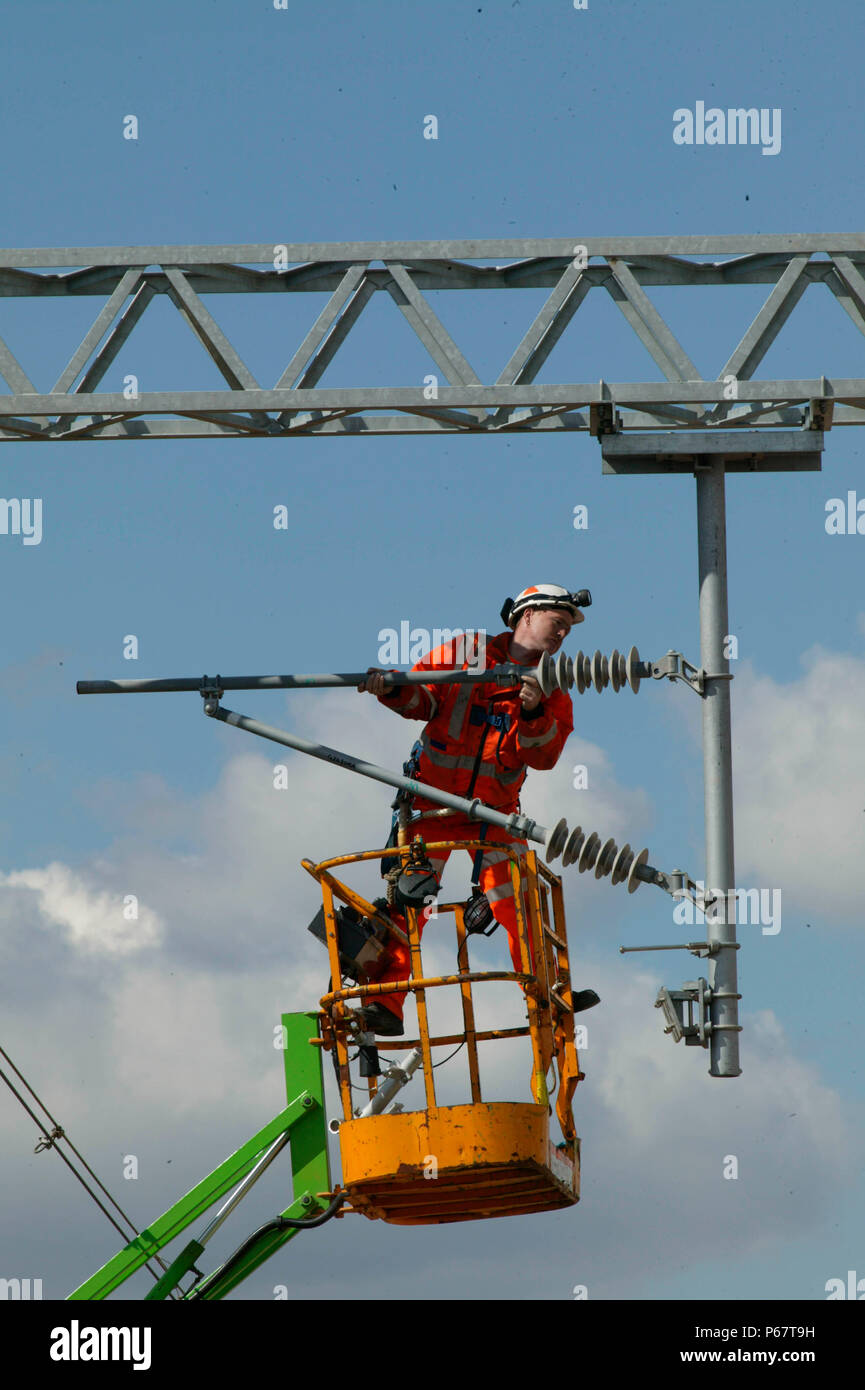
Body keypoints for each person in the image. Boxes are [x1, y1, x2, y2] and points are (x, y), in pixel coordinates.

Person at [356, 584, 600, 1035]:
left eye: (568, 628)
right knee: (408, 901)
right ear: (527, 616)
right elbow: (423, 697)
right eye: (557, 622)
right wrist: (389, 688)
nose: (563, 633)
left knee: (520, 903)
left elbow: (545, 756)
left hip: (495, 814)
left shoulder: (552, 687)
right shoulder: (468, 652)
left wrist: (532, 714)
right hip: (433, 804)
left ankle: (548, 996)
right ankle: (385, 1005)